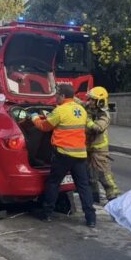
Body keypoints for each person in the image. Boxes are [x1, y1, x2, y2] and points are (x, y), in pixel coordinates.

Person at [32, 83, 97, 227]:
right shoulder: (81, 110)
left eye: (57, 95)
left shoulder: (60, 110)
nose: (55, 97)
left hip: (63, 154)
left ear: (62, 96)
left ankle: (47, 213)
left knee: (53, 183)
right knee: (83, 186)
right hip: (80, 154)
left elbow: (44, 126)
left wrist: (34, 117)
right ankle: (91, 219)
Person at [84, 86, 120, 203]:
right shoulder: (89, 108)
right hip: (89, 148)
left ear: (100, 101)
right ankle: (94, 198)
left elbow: (98, 128)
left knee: (104, 175)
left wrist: (86, 120)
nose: (90, 102)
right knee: (90, 175)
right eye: (90, 99)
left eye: (92, 100)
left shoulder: (104, 115)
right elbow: (78, 102)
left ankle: (114, 198)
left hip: (99, 150)